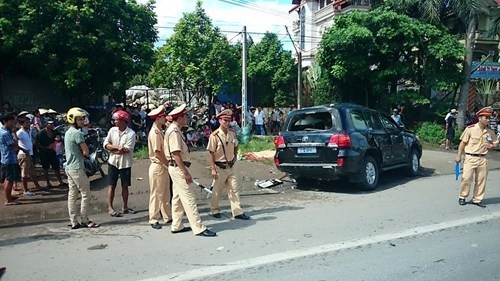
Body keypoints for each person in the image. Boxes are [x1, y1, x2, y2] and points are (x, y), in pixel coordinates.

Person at [165, 104, 216, 237]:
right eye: (185, 116)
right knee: (189, 198)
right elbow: (176, 154)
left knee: (178, 197)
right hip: (178, 168)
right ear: (180, 117)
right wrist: (186, 172)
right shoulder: (174, 132)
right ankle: (198, 227)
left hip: (177, 167)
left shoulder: (175, 130)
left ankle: (176, 225)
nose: (187, 118)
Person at [207, 109, 251, 221]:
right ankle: (215, 209)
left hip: (231, 166)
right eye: (225, 120)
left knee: (234, 189)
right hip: (219, 166)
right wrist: (212, 169)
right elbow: (211, 153)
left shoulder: (232, 133)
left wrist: (235, 156)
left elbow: (236, 145)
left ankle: (237, 211)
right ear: (220, 120)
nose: (227, 123)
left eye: (229, 120)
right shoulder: (214, 136)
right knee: (217, 190)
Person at [455, 107, 498, 208]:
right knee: (466, 178)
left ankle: (477, 199)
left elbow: (496, 143)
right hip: (470, 157)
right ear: (480, 118)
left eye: (489, 118)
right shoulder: (470, 129)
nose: (488, 120)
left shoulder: (490, 132)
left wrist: (492, 146)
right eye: (486, 117)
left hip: (483, 158)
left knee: (481, 180)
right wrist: (458, 155)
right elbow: (462, 143)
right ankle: (463, 196)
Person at [65, 107, 100, 229]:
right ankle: (85, 219)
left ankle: (74, 221)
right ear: (73, 120)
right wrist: (85, 153)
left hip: (69, 167)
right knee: (86, 194)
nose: (82, 121)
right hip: (77, 168)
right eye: (79, 119)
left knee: (72, 195)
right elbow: (85, 151)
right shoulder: (77, 133)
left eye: (82, 119)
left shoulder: (68, 132)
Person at [103, 110, 136, 217]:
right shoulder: (112, 130)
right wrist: (117, 148)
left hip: (125, 163)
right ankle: (110, 207)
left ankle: (125, 207)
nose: (115, 122)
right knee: (111, 185)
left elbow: (127, 149)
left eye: (117, 120)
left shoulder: (131, 133)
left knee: (125, 186)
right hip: (113, 162)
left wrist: (112, 149)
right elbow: (106, 144)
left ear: (123, 121)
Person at [147, 106, 172, 230]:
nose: (165, 118)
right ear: (158, 118)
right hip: (158, 165)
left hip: (162, 166)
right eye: (163, 116)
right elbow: (157, 152)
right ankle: (154, 218)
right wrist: (166, 163)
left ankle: (167, 216)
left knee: (165, 193)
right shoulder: (155, 133)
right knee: (157, 194)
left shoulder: (159, 130)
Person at [16, 116, 42, 195]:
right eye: (26, 122)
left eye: (29, 122)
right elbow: (15, 143)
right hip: (23, 154)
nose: (28, 124)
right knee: (24, 173)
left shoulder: (28, 131)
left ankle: (37, 186)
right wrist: (23, 149)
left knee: (32, 172)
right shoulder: (19, 132)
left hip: (29, 154)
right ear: (22, 124)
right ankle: (25, 190)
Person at [36, 119, 66, 188]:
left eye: (52, 124)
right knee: (45, 168)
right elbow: (37, 143)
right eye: (50, 124)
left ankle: (60, 181)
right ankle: (48, 183)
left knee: (56, 167)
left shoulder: (54, 132)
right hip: (44, 152)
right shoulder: (41, 133)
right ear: (46, 124)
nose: (52, 125)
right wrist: (45, 147)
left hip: (53, 152)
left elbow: (58, 139)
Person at [0, 114, 21, 205]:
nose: (12, 123)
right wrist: (14, 134)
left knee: (7, 179)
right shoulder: (5, 133)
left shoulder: (2, 131)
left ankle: (9, 197)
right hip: (9, 159)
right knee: (9, 179)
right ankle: (8, 199)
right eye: (11, 121)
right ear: (5, 121)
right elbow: (15, 146)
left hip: (6, 159)